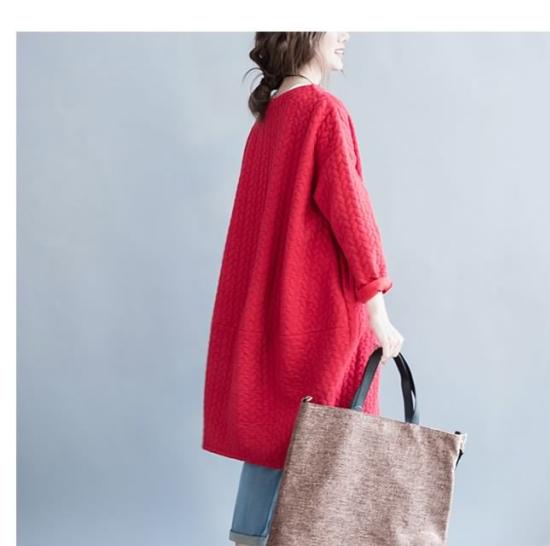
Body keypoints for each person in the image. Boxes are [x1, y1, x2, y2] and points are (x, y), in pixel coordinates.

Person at [201, 32, 404, 546]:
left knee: (276, 439)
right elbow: (353, 218)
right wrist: (378, 312)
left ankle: (249, 537)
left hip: (271, 318)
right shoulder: (322, 112)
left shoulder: (268, 122)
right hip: (320, 317)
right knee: (334, 448)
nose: (345, 33)